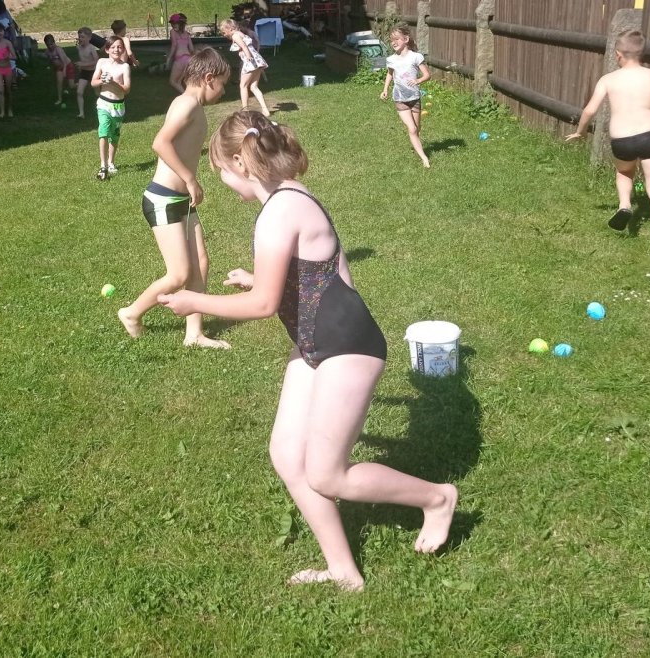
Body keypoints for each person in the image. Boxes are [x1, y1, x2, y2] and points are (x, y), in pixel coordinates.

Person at [158, 110, 459, 591]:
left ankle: (437, 499)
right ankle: (343, 571)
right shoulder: (291, 198)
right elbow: (324, 273)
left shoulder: (280, 211)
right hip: (317, 343)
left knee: (328, 475)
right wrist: (258, 278)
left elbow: (263, 306)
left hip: (348, 345)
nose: (223, 183)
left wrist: (195, 301)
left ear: (240, 162)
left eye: (221, 171)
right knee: (287, 456)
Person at [118, 48, 232, 348]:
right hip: (163, 199)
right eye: (223, 84)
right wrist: (190, 179)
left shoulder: (192, 105)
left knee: (200, 263)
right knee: (179, 274)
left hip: (180, 200)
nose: (224, 91)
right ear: (209, 78)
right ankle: (131, 313)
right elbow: (160, 143)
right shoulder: (186, 104)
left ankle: (194, 333)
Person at [567, 29, 650, 256]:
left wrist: (580, 132)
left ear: (618, 54)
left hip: (622, 140)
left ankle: (624, 205)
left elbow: (589, 110)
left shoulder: (609, 79)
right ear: (642, 53)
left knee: (624, 172)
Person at [380, 24, 432, 167]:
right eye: (391, 40)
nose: (393, 42)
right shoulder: (391, 59)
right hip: (400, 98)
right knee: (412, 129)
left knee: (417, 127)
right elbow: (390, 74)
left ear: (406, 39)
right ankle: (424, 158)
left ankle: (416, 146)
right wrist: (385, 89)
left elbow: (427, 75)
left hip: (414, 98)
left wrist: (418, 81)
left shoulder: (416, 57)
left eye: (397, 39)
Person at [91, 36, 132, 180]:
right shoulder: (102, 62)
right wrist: (102, 80)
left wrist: (113, 82)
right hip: (103, 103)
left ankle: (111, 162)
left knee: (114, 135)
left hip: (118, 105)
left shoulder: (124, 66)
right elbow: (93, 82)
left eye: (119, 47)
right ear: (107, 49)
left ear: (123, 50)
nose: (116, 49)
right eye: (113, 47)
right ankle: (103, 165)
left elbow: (126, 89)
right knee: (103, 131)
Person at [220, 18, 271, 116]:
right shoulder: (241, 34)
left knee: (243, 86)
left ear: (230, 28)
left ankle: (245, 110)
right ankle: (265, 110)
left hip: (250, 62)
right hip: (257, 61)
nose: (224, 34)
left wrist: (248, 57)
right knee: (254, 87)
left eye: (224, 32)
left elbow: (244, 46)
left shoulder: (235, 35)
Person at [74, 27, 101, 119]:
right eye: (79, 37)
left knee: (97, 93)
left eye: (82, 37)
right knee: (79, 92)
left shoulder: (91, 48)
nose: (80, 39)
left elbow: (97, 61)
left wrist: (83, 64)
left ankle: (103, 108)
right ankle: (81, 113)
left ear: (89, 38)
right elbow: (83, 59)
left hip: (93, 72)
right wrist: (81, 67)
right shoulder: (79, 48)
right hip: (84, 73)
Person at [166, 13, 194, 94]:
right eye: (172, 24)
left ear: (180, 24)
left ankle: (187, 96)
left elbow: (174, 45)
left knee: (173, 81)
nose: (172, 25)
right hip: (188, 59)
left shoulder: (173, 32)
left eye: (174, 23)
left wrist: (169, 58)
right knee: (179, 81)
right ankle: (189, 96)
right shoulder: (187, 34)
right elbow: (191, 49)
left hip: (180, 59)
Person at [45, 34, 74, 107]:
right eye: (48, 45)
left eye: (51, 44)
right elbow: (49, 59)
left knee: (72, 85)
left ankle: (78, 85)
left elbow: (64, 62)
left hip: (67, 66)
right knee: (59, 82)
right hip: (59, 68)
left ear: (54, 42)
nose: (50, 46)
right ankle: (59, 99)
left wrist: (64, 71)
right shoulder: (47, 51)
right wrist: (50, 66)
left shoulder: (58, 49)